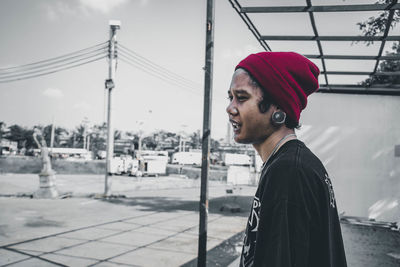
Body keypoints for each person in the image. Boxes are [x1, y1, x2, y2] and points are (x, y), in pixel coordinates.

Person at [226, 52, 347, 267]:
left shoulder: (289, 171)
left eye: (242, 97)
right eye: (231, 97)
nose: (230, 108)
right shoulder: (290, 163)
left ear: (279, 109)